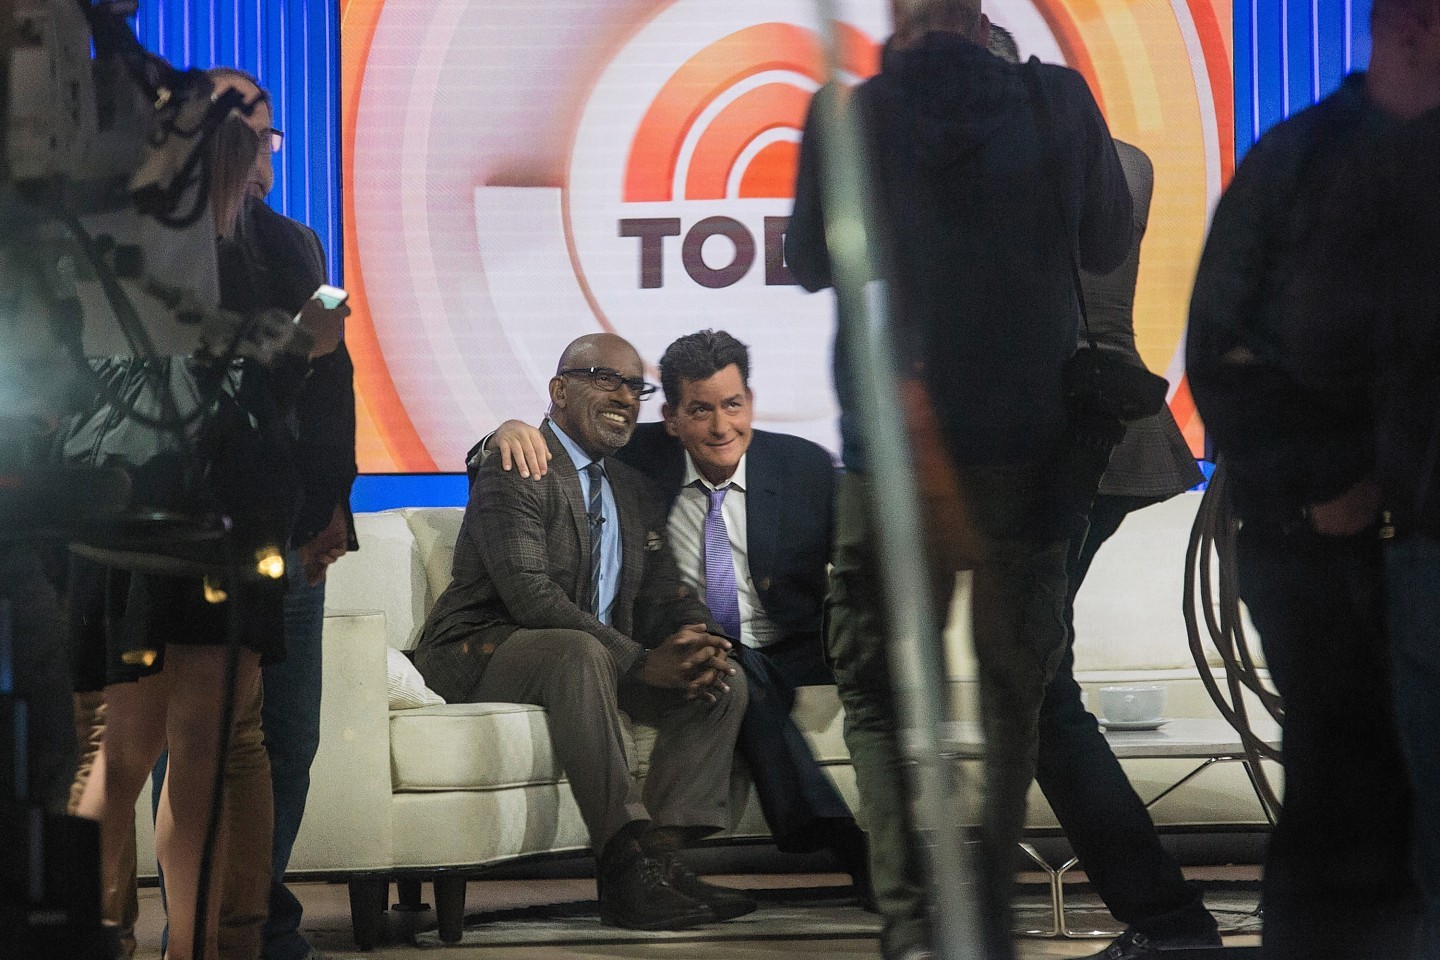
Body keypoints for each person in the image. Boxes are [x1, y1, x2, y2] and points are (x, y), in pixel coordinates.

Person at [785, 1, 1133, 957]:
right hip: (1030, 440)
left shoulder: (845, 117)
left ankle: (907, 924)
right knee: (1014, 698)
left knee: (879, 695)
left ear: (899, 16)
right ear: (982, 15)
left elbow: (811, 262)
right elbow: (1106, 240)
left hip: (889, 451)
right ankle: (989, 921)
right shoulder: (1056, 100)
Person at [70, 76, 347, 960]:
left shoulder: (230, 240)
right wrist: (297, 347)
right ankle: (115, 935)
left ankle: (182, 943)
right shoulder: (151, 243)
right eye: (252, 145)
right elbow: (177, 398)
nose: (264, 161)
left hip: (213, 524)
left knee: (180, 750)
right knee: (144, 751)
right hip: (178, 524)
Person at [1186, 0, 1436, 954]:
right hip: (1319, 547)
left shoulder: (1308, 160)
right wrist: (1329, 486)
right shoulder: (1301, 164)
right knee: (1348, 796)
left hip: (1384, 531)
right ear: (1411, 27)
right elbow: (1224, 357)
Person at [479, 329, 871, 901]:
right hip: (593, 646)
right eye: (701, 410)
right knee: (718, 665)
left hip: (794, 647)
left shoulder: (798, 467)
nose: (720, 427)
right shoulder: (620, 459)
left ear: (751, 404)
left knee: (729, 668)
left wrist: (699, 637)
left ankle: (660, 865)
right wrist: (500, 433)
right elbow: (543, 459)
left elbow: (858, 571)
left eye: (733, 405)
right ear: (670, 419)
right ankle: (838, 844)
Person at [414, 333, 753, 931]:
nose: (624, 395)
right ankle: (622, 866)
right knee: (576, 651)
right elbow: (529, 595)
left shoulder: (632, 487)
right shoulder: (519, 462)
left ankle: (663, 863)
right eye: (605, 378)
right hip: (482, 649)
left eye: (634, 386)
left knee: (723, 678)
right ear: (559, 390)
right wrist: (639, 661)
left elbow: (664, 592)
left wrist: (690, 635)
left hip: (592, 661)